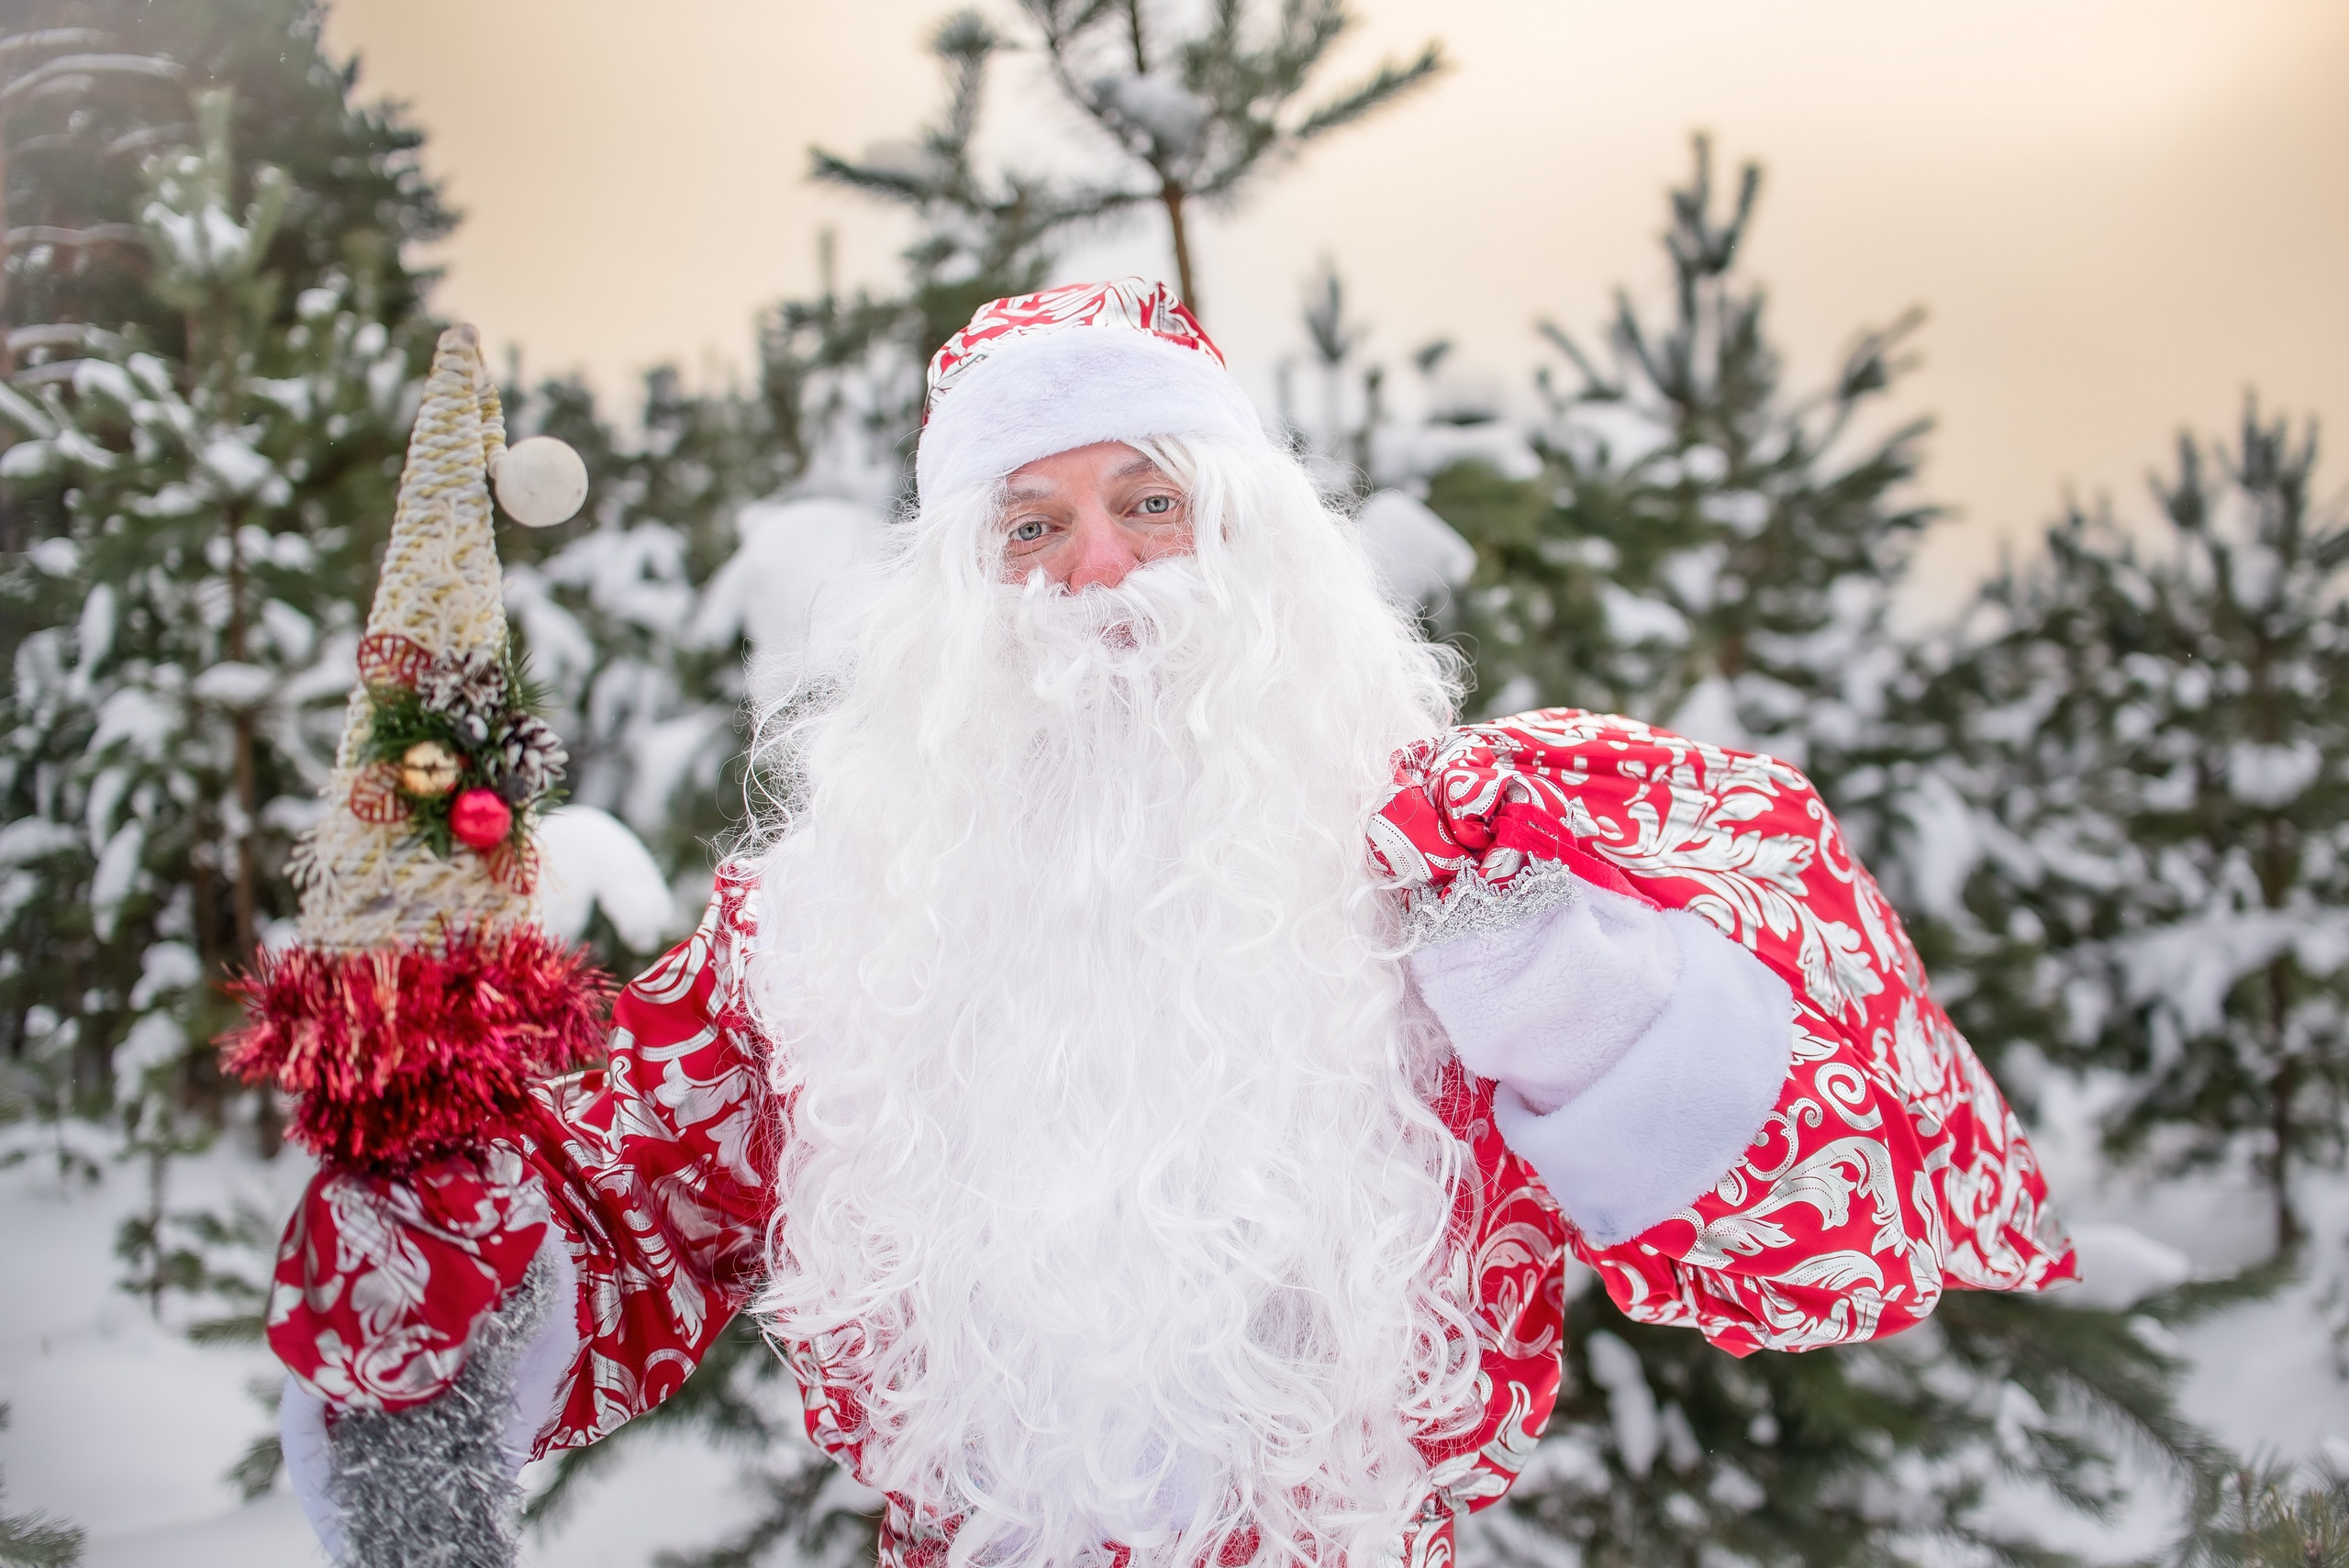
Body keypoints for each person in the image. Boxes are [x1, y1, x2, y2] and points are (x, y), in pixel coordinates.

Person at [265, 279, 2074, 1568]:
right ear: (954, 597)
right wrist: (420, 1299)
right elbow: (617, 1186)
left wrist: (1591, 1012)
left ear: (1256, 546)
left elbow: (1821, 1203)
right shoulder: (825, 930)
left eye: (1149, 504)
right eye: (1029, 528)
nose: (1100, 577)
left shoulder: (1445, 876)